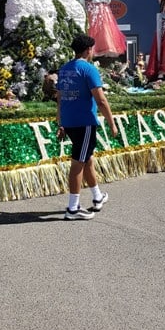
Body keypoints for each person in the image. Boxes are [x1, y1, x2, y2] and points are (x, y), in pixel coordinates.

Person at [56, 34, 118, 220]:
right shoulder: (88, 69)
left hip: (69, 121)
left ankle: (97, 196)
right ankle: (72, 209)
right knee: (78, 163)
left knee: (87, 158)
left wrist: (60, 122)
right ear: (88, 50)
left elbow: (60, 97)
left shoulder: (65, 69)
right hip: (84, 122)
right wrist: (111, 123)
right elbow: (101, 100)